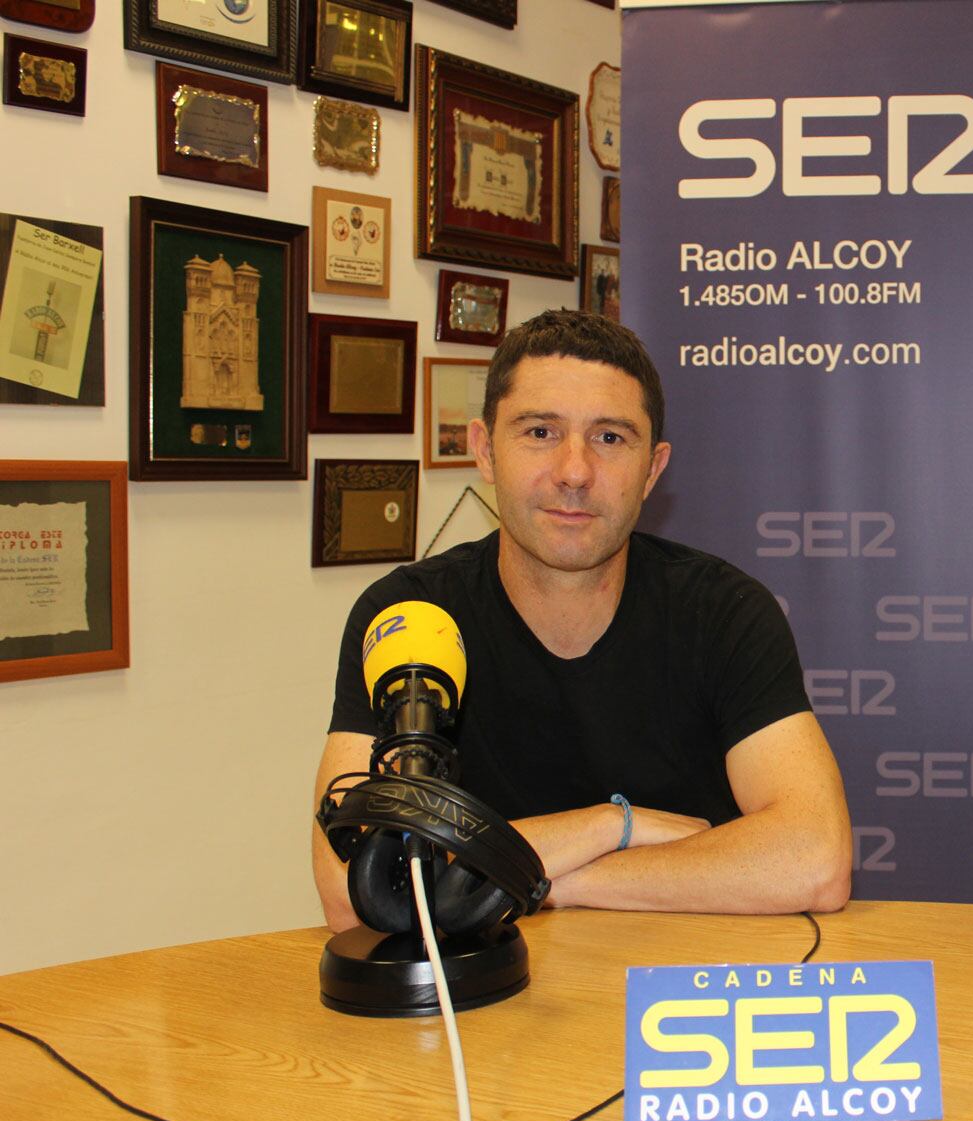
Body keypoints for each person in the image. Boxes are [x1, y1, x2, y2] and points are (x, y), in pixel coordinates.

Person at [311, 309, 852, 931]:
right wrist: (613, 824)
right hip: (479, 1003)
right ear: (484, 450)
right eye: (540, 432)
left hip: (680, 993)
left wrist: (535, 879)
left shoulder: (724, 612)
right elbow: (351, 889)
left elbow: (816, 857)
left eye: (611, 438)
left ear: (653, 469)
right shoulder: (410, 619)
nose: (574, 471)